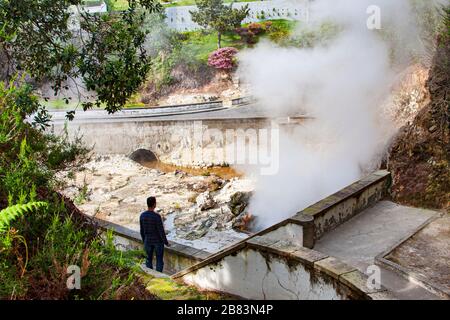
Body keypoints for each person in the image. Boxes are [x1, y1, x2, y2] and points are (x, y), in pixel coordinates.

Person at [139, 196, 169, 272]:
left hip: (147, 241)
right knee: (159, 260)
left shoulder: (142, 215)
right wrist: (166, 242)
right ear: (154, 204)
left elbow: (142, 230)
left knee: (148, 260)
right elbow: (161, 231)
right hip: (158, 241)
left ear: (147, 204)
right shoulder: (157, 216)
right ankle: (158, 276)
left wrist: (144, 240)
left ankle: (151, 274)